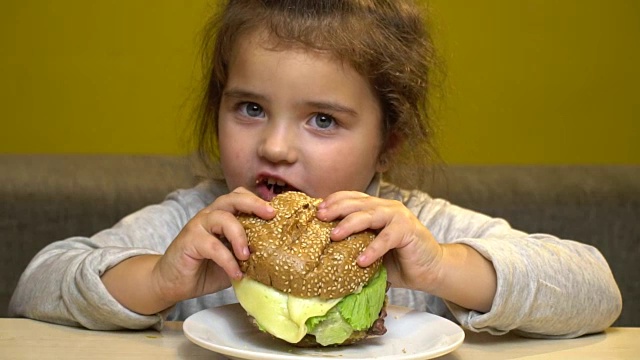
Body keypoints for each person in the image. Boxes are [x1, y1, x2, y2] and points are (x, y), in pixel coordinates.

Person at [10, 0, 621, 338]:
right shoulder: (197, 224)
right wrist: (159, 281)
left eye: (322, 120)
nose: (275, 147)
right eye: (250, 108)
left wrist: (446, 267)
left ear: (388, 145)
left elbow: (598, 292)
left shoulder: (418, 229)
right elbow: (36, 285)